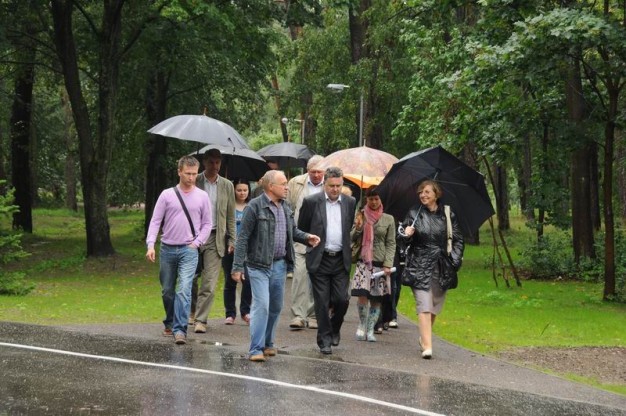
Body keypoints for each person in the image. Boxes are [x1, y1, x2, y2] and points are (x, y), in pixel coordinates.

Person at [232, 170, 320, 362]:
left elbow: (292, 231)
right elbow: (243, 238)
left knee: (275, 306)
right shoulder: (254, 206)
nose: (287, 187)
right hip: (258, 265)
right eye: (283, 184)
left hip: (280, 265)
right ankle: (255, 349)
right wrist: (237, 267)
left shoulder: (286, 206)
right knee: (262, 305)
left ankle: (268, 343)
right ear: (271, 186)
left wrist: (307, 238)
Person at [145, 155, 212, 345]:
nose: (191, 177)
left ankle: (180, 329)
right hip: (167, 248)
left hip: (188, 250)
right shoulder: (167, 195)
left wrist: (197, 243)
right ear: (179, 172)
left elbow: (207, 224)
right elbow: (156, 221)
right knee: (167, 290)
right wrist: (151, 245)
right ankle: (170, 321)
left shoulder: (202, 196)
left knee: (183, 289)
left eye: (194, 174)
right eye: (188, 173)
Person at [400, 180, 464, 359]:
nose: (423, 195)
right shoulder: (414, 213)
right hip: (419, 264)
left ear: (436, 194)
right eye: (421, 192)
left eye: (427, 192)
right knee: (424, 305)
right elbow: (402, 240)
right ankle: (427, 346)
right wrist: (406, 234)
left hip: (441, 266)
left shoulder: (448, 214)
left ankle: (424, 337)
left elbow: (458, 239)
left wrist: (454, 261)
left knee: (434, 305)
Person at [297, 167, 356, 355]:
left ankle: (334, 328)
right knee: (322, 302)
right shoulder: (311, 202)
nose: (335, 189)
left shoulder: (350, 202)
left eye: (338, 186)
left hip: (340, 259)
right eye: (331, 186)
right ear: (325, 184)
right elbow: (302, 228)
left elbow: (348, 226)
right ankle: (324, 340)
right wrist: (310, 239)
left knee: (342, 300)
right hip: (320, 259)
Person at [191, 149, 236, 333]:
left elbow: (231, 215)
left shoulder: (227, 185)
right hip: (193, 236)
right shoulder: (194, 180)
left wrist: (232, 239)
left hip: (215, 236)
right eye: (211, 162)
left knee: (209, 282)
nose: (215, 166)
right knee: (190, 278)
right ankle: (191, 311)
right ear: (204, 162)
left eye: (218, 162)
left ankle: (201, 320)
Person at [350, 187, 396, 342]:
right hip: (363, 261)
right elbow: (351, 237)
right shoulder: (360, 215)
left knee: (376, 298)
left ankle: (370, 329)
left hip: (380, 263)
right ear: (366, 200)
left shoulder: (388, 219)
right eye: (371, 199)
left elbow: (391, 243)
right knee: (362, 295)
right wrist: (358, 228)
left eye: (376, 199)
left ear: (380, 200)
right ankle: (362, 325)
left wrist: (388, 264)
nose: (374, 202)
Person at [286, 155, 325, 330]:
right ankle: (298, 315)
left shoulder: (329, 184)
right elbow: (288, 206)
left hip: (321, 238)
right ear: (307, 170)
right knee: (300, 275)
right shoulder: (295, 183)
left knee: (317, 277)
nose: (316, 175)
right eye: (313, 172)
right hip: (300, 237)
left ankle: (313, 315)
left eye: (319, 172)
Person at [221, 178, 253, 325]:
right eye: (239, 190)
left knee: (248, 281)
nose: (242, 193)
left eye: (245, 190)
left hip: (247, 250)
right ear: (234, 190)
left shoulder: (251, 207)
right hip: (230, 248)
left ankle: (245, 312)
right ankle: (230, 313)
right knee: (230, 281)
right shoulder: (229, 206)